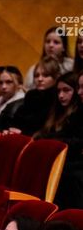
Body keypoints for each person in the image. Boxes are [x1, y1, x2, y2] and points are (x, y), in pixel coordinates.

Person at [34, 71, 83, 209]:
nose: (80, 92)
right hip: (74, 161)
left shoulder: (76, 112)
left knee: (66, 173)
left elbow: (77, 142)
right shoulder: (77, 112)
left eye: (82, 87)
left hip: (75, 165)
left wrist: (54, 141)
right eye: (79, 87)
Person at [8, 56, 61, 135]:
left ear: (55, 77)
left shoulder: (58, 97)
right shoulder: (31, 95)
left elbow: (44, 128)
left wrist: (22, 132)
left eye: (45, 75)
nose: (40, 79)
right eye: (36, 75)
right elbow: (17, 119)